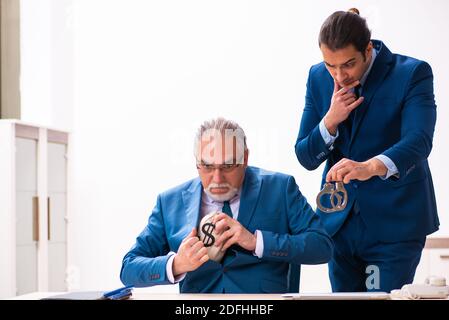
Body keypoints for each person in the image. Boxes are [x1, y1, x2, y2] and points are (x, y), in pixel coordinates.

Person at [295, 8, 439, 293]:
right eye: (330, 66)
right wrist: (330, 122)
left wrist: (370, 166)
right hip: (338, 225)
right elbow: (306, 156)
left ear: (368, 49)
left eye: (347, 65)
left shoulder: (412, 73)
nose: (339, 75)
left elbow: (419, 140)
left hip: (394, 226)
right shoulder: (317, 77)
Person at [121, 117, 333, 293]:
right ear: (196, 162)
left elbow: (322, 246)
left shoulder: (281, 188)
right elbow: (128, 268)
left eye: (228, 165)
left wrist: (255, 241)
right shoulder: (170, 202)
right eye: (207, 166)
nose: (217, 178)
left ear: (245, 158)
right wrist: (177, 264)